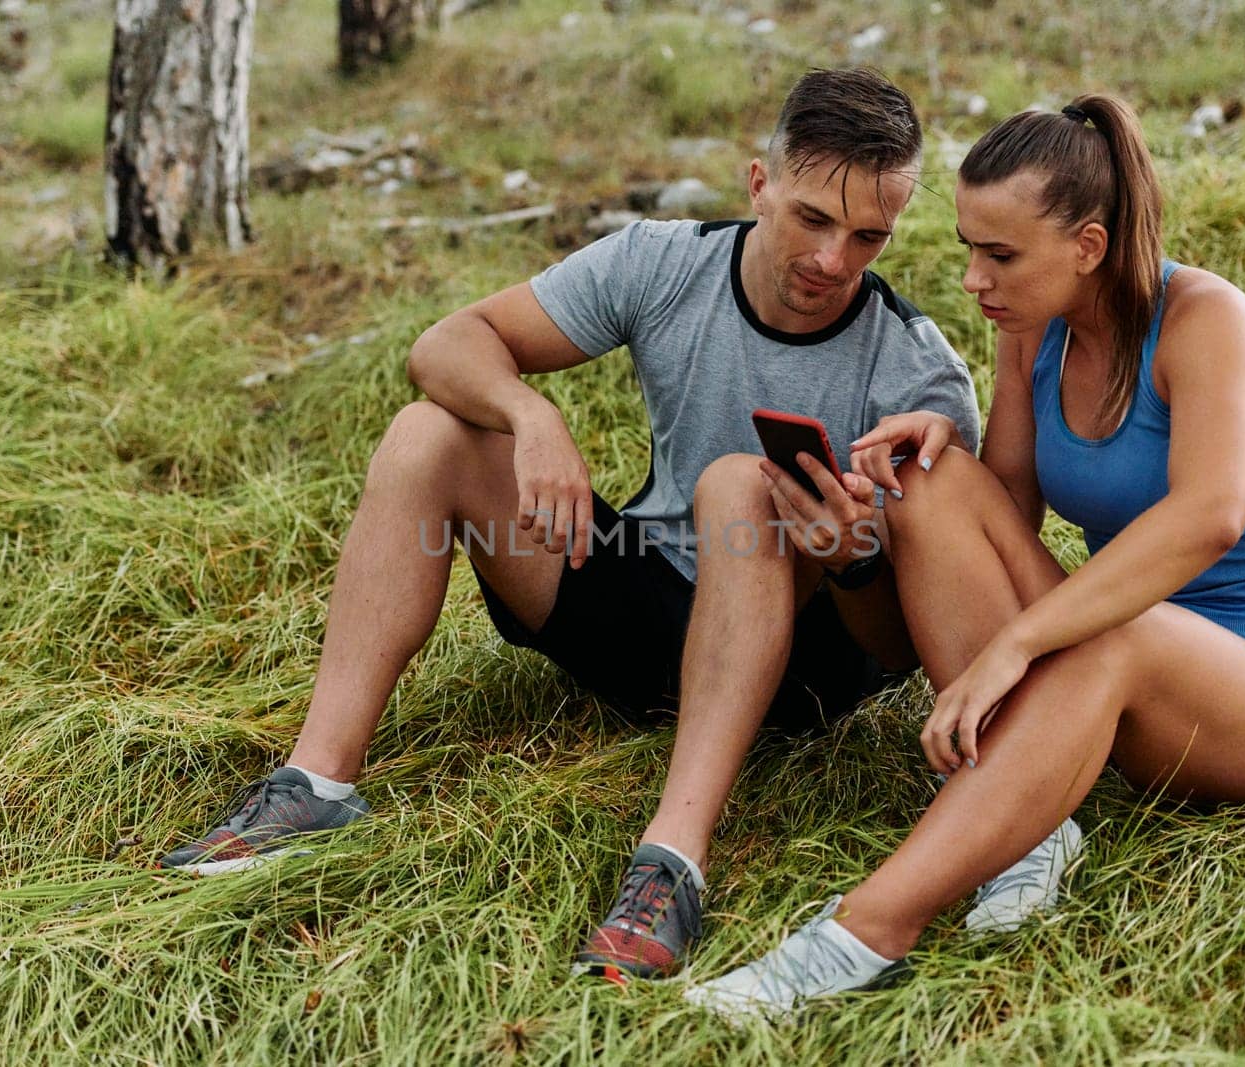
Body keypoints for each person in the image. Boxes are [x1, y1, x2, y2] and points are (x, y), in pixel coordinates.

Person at [154, 68, 1078, 980]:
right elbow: (444, 345)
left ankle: (672, 859)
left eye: (867, 235)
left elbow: (896, 642)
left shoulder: (916, 372)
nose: (834, 260)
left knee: (737, 484)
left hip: (799, 661)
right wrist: (530, 416)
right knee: (430, 433)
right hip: (647, 609)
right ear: (759, 185)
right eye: (812, 218)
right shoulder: (663, 262)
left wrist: (853, 563)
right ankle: (317, 784)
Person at [683, 94, 1245, 1019]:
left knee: (1117, 638)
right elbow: (1002, 515)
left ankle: (866, 930)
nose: (971, 278)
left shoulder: (1208, 320)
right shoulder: (1033, 329)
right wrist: (934, 447)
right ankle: (1036, 828)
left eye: (998, 254)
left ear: (1087, 245)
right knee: (930, 479)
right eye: (969, 246)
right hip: (1111, 654)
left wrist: (1017, 647)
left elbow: (1211, 517)